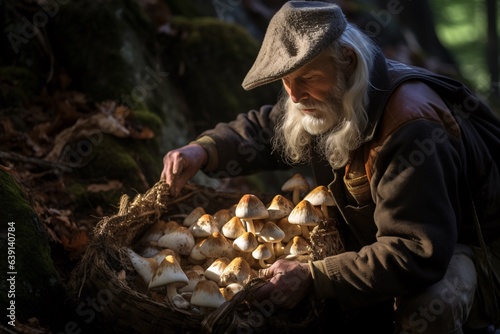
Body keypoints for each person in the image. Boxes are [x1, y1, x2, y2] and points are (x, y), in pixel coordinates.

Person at [161, 1, 500, 333]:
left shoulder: (410, 128)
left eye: (306, 78)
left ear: (347, 61)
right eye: (286, 81)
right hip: (391, 239)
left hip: (470, 248)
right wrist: (202, 151)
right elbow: (267, 129)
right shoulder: (333, 91)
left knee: (427, 307)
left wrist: (316, 275)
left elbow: (416, 251)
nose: (294, 96)